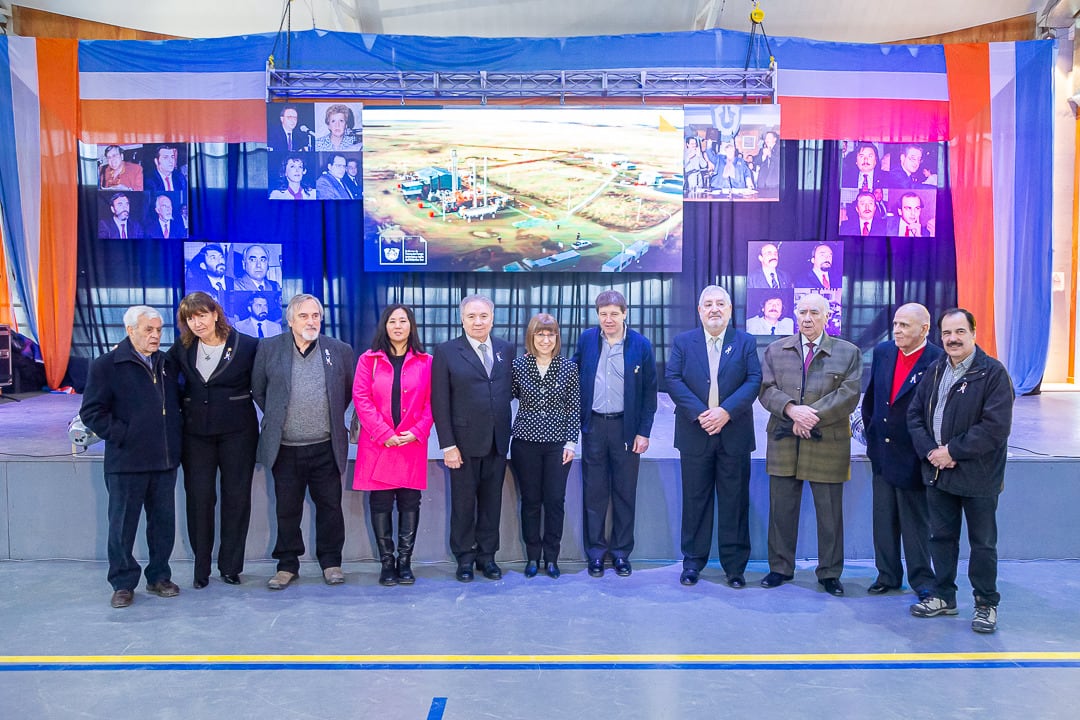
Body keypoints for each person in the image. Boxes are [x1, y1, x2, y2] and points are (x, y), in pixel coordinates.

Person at [908, 308, 1014, 633]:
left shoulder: (993, 374)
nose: (952, 339)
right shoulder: (936, 369)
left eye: (959, 332)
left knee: (982, 544)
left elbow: (994, 428)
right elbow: (914, 415)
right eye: (946, 334)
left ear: (973, 333)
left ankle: (985, 604)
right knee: (940, 538)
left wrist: (952, 451)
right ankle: (943, 596)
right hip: (938, 473)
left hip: (978, 476)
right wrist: (931, 452)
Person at [758, 292, 861, 595]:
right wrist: (792, 410)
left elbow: (849, 395)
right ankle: (780, 568)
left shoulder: (848, 352)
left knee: (829, 514)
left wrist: (810, 416)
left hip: (827, 441)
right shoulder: (776, 351)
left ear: (826, 317)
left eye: (814, 312)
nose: (807, 318)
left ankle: (829, 573)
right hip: (784, 440)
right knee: (781, 510)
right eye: (802, 312)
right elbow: (765, 390)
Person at [79, 306, 182, 608]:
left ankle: (159, 576)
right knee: (122, 526)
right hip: (126, 463)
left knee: (163, 524)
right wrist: (124, 434)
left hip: (163, 461)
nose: (155, 336)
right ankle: (123, 583)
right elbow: (91, 412)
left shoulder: (166, 364)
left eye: (159, 330)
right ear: (130, 330)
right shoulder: (106, 365)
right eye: (148, 330)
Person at [252, 294, 356, 590]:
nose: (311, 321)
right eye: (304, 316)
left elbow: (345, 391)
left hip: (326, 445)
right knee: (286, 509)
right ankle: (287, 565)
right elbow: (259, 391)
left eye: (316, 316)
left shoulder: (339, 350)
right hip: (285, 448)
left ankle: (331, 562)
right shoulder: (269, 349)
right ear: (290, 320)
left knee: (330, 508)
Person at [665, 286, 761, 587]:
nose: (714, 309)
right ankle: (693, 562)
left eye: (721, 304)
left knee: (734, 502)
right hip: (695, 433)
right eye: (708, 304)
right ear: (699, 311)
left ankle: (734, 568)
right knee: (695, 501)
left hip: (734, 434)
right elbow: (673, 378)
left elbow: (754, 379)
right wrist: (702, 413)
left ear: (730, 310)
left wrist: (726, 412)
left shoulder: (745, 342)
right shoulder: (683, 342)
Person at [167, 292, 259, 589]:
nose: (197, 322)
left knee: (236, 499)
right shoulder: (181, 348)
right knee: (199, 500)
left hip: (238, 433)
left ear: (215, 314)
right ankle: (201, 568)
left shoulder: (247, 345)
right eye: (190, 318)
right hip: (195, 436)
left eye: (202, 315)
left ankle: (231, 567)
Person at [572, 290, 658, 578]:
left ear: (625, 313)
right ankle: (595, 554)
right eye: (603, 314)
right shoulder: (586, 340)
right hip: (594, 427)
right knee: (594, 493)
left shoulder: (641, 345)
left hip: (626, 428)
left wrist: (643, 432)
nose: (608, 319)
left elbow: (649, 393)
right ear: (597, 315)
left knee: (624, 493)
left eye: (613, 313)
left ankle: (621, 553)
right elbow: (573, 376)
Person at [860, 303, 943, 598]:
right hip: (882, 453)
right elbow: (871, 399)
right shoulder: (884, 353)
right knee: (883, 519)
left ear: (924, 329)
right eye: (895, 324)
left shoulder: (938, 361)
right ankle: (887, 575)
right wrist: (872, 437)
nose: (897, 330)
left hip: (914, 458)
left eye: (905, 325)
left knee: (915, 524)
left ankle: (922, 580)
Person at [432, 294, 514, 582]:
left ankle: (487, 557)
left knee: (492, 504)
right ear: (462, 319)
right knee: (464, 503)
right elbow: (439, 401)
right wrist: (448, 444)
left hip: (498, 441)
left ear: (492, 318)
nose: (478, 322)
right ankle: (464, 558)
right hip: (463, 444)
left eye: (483, 316)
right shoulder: (446, 351)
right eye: (471, 316)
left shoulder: (506, 349)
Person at [353, 304, 433, 586]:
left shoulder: (426, 361)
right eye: (392, 321)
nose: (398, 326)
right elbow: (361, 398)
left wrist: (418, 430)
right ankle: (387, 564)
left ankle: (405, 562)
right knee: (381, 501)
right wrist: (383, 432)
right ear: (384, 326)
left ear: (411, 326)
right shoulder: (368, 360)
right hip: (379, 443)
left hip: (411, 443)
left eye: (403, 321)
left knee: (410, 501)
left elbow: (432, 403)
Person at [510, 313, 580, 579]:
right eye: (540, 334)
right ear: (532, 336)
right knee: (530, 501)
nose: (546, 339)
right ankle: (532, 557)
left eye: (550, 334)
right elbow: (505, 397)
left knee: (554, 501)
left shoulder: (568, 368)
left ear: (557, 338)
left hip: (557, 446)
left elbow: (574, 408)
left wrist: (571, 442)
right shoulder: (518, 366)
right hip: (525, 443)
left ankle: (551, 558)